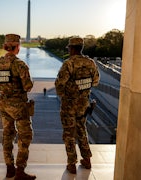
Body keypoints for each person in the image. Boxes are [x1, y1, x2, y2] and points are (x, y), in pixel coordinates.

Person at [0, 34, 36, 180]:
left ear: (6, 46)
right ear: (17, 47)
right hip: (18, 106)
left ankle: (9, 168)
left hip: (3, 104)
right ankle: (20, 170)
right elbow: (28, 86)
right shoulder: (20, 64)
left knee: (7, 135)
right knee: (25, 136)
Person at [55, 37, 100, 174]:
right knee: (81, 130)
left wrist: (65, 95)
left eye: (69, 48)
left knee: (69, 133)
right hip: (83, 103)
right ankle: (87, 159)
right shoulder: (90, 63)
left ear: (72, 48)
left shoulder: (69, 63)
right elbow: (96, 81)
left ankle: (71, 163)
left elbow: (59, 85)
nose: (68, 50)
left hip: (69, 104)